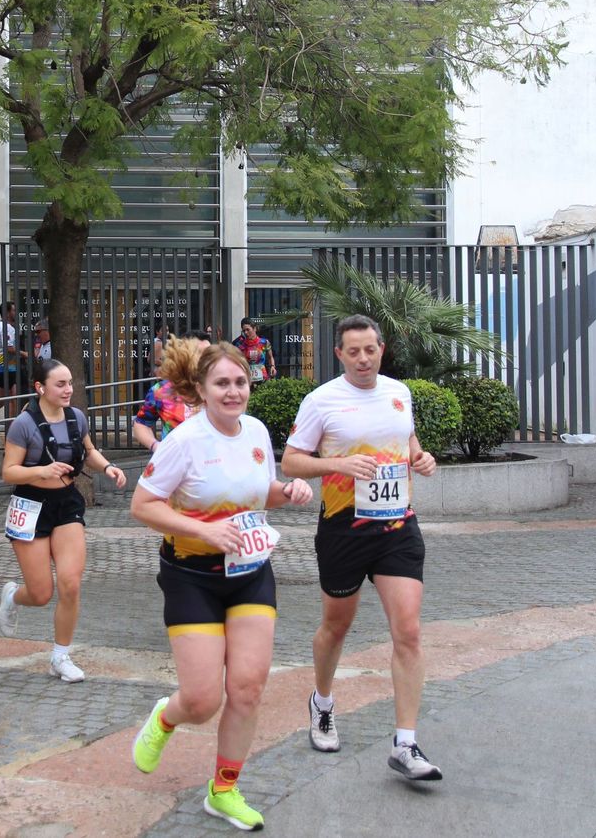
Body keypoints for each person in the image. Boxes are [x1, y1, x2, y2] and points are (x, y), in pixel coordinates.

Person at [128, 338, 314, 831]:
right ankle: (166, 718)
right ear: (203, 390)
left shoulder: (254, 431)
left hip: (250, 572)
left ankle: (224, 789)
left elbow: (257, 495)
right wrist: (203, 529)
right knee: (203, 700)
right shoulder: (183, 441)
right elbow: (144, 506)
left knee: (249, 688)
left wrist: (289, 491)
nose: (233, 392)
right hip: (192, 576)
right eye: (222, 384)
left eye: (240, 383)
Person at [280, 314, 442, 781]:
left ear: (381, 348)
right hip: (343, 528)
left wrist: (420, 456)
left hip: (397, 527)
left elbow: (407, 441)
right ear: (339, 355)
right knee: (336, 626)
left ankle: (405, 744)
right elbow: (292, 460)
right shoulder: (322, 400)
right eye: (353, 351)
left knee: (408, 631)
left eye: (370, 349)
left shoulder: (399, 392)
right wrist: (340, 464)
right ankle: (323, 702)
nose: (363, 358)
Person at [0, 358, 128, 681]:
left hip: (67, 503)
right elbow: (8, 471)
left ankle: (60, 656)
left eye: (70, 383)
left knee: (70, 583)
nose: (69, 390)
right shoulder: (23, 424)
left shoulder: (76, 418)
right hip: (30, 505)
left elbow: (88, 450)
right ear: (40, 387)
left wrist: (107, 467)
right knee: (40, 593)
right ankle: (13, 596)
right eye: (61, 384)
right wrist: (41, 470)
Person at [131, 330, 210, 454]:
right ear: (183, 356)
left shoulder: (222, 388)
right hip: (175, 465)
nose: (208, 359)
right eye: (200, 354)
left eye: (210, 354)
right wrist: (156, 446)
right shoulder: (162, 390)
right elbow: (141, 423)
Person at [233, 320, 277, 387]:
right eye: (244, 330)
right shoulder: (240, 344)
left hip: (262, 378)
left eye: (248, 330)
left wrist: (272, 367)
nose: (246, 332)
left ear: (255, 329)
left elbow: (270, 357)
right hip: (246, 380)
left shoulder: (264, 342)